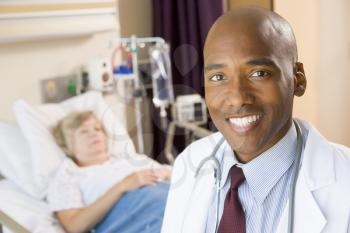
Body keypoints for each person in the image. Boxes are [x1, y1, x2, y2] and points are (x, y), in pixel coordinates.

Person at [161, 6, 350, 233]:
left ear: (297, 80)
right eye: (218, 77)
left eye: (259, 73)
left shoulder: (344, 183)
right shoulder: (190, 163)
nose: (237, 99)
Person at [47, 111, 171, 233]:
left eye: (97, 129)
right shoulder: (69, 175)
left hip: (171, 200)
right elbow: (74, 226)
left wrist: (166, 172)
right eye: (84, 131)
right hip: (140, 218)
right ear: (68, 144)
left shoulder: (130, 159)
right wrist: (123, 186)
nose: (94, 134)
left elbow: (177, 176)